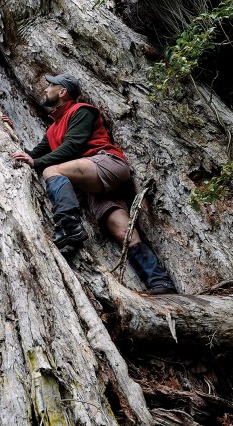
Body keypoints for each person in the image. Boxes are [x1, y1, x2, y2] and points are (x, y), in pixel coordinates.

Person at [10, 73, 177, 294]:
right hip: (93, 185)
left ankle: (70, 229)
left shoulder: (81, 111)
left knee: (51, 170)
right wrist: (8, 130)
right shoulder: (52, 128)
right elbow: (32, 155)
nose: (45, 89)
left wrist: (38, 162)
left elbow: (72, 148)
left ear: (63, 92)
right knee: (122, 230)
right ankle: (159, 281)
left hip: (106, 163)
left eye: (50, 85)